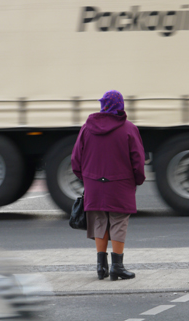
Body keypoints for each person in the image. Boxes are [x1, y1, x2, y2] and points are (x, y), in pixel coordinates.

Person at [71, 90, 145, 281]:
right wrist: (137, 179)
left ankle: (101, 268)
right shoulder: (129, 129)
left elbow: (76, 159)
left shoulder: (87, 128)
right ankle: (117, 268)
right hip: (120, 184)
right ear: (120, 106)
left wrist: (86, 178)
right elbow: (138, 160)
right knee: (118, 221)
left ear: (103, 105)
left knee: (99, 221)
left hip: (94, 184)